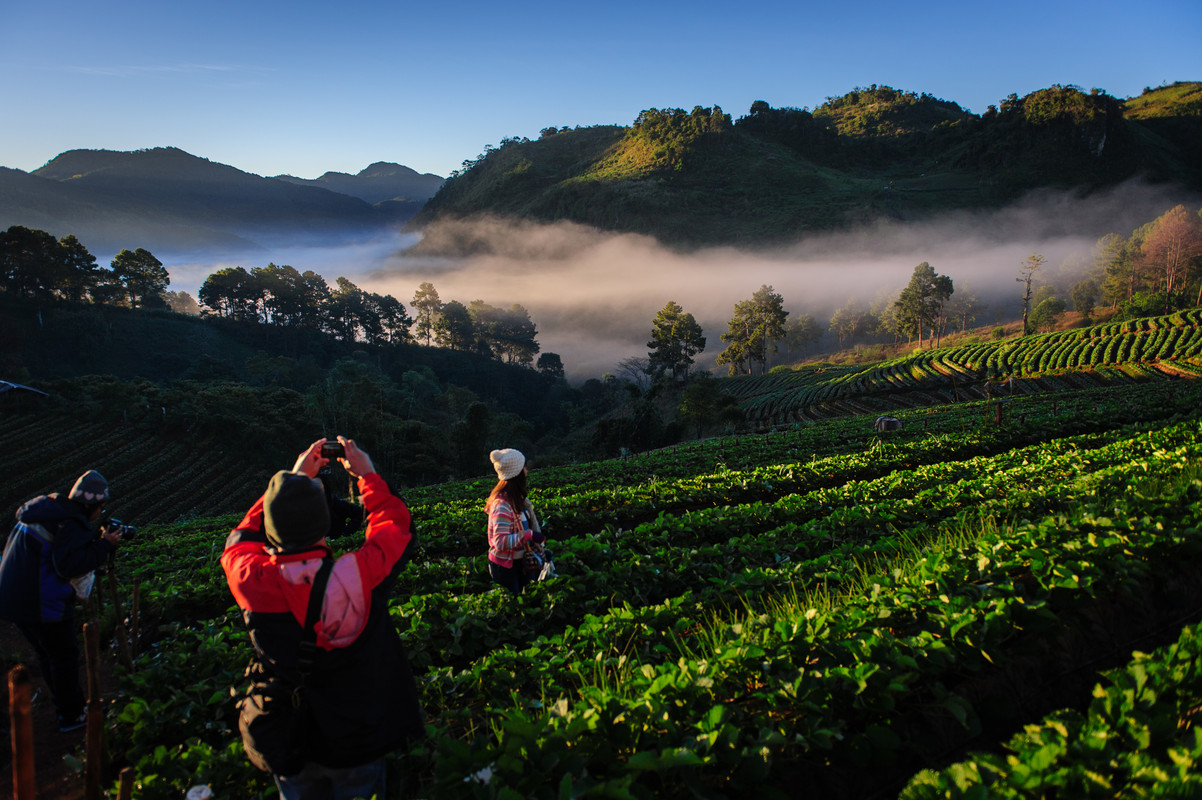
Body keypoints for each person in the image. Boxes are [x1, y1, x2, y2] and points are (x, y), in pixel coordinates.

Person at [222, 437, 423, 800]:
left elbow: (239, 539)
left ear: (271, 522)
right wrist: (367, 475)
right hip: (355, 734)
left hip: (288, 734)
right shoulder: (355, 578)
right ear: (324, 523)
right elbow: (395, 526)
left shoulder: (249, 578)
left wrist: (290, 480)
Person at [0, 470, 124, 732]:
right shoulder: (70, 523)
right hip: (40, 600)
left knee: (49, 655)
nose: (99, 513)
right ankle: (72, 715)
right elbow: (70, 565)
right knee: (65, 656)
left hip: (12, 597)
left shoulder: (47, 511)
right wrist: (104, 545)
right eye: (100, 507)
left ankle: (67, 708)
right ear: (90, 504)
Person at [486, 448, 544, 595]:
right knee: (514, 606)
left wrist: (538, 544)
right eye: (524, 467)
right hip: (506, 568)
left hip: (523, 561)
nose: (526, 470)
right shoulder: (502, 505)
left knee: (529, 601)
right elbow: (499, 542)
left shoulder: (521, 501)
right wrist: (529, 536)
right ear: (517, 474)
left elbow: (531, 528)